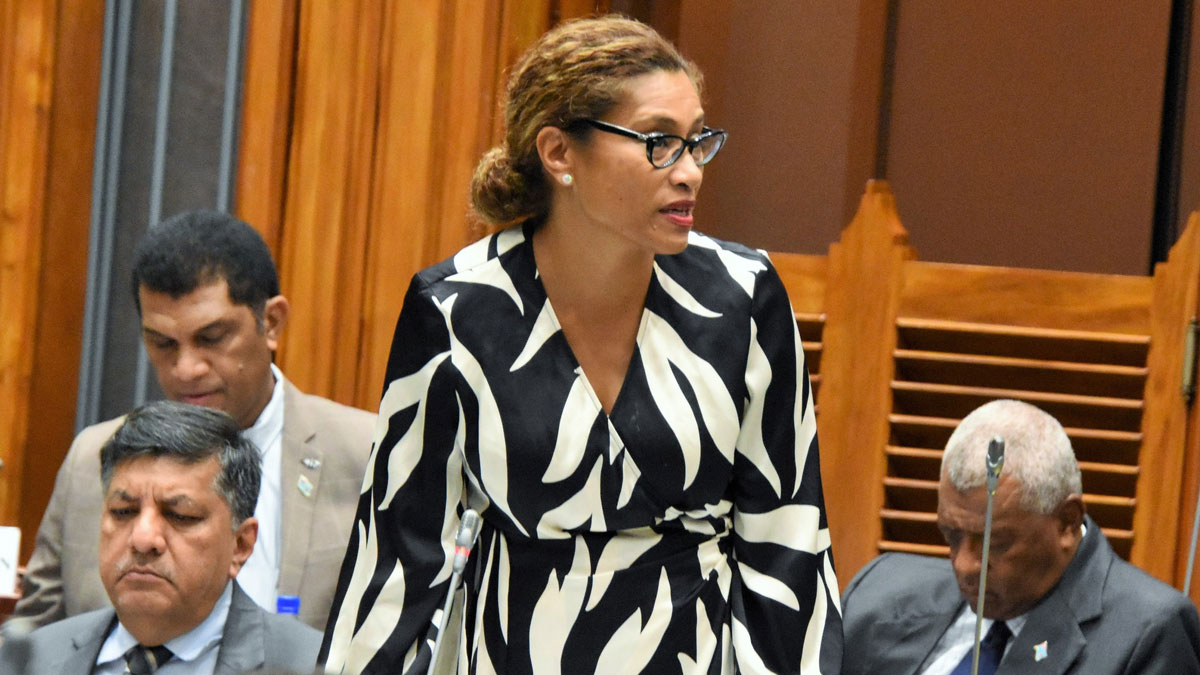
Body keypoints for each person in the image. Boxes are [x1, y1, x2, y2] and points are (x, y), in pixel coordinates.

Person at [320, 15, 841, 674]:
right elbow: (397, 557)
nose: (689, 172)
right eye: (659, 141)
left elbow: (788, 539)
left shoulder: (743, 296)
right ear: (559, 153)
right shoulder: (455, 308)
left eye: (696, 141)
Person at [12, 210, 375, 631]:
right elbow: (33, 643)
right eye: (163, 343)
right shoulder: (90, 459)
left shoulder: (367, 453)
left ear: (271, 323)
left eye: (211, 338)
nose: (186, 369)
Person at [841, 399, 1200, 674]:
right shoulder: (879, 591)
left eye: (995, 544)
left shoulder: (1148, 634)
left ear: (1066, 523)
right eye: (951, 535)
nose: (965, 566)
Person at [0, 401, 322, 673]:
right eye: (123, 511)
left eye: (181, 515)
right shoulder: (30, 661)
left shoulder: (313, 666)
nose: (143, 539)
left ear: (241, 545)